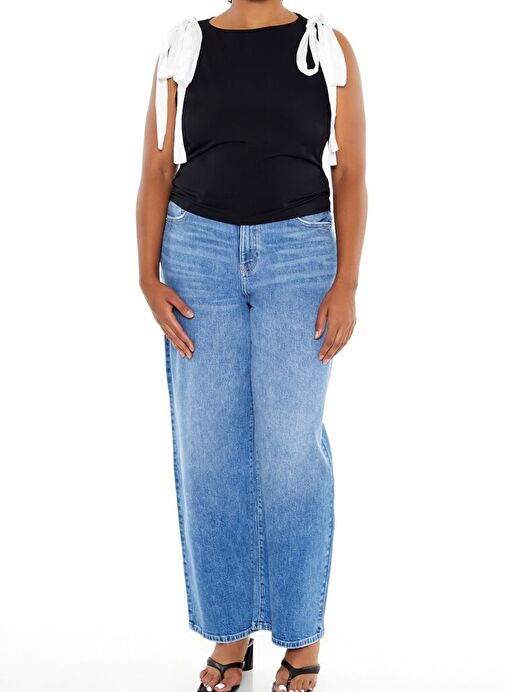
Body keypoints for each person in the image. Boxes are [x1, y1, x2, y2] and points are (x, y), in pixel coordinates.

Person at [136, 3, 367, 691]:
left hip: (299, 258)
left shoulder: (326, 47)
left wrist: (347, 282)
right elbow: (156, 169)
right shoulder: (183, 47)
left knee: (291, 451)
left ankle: (301, 638)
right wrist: (146, 276)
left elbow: (350, 174)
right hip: (196, 257)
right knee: (209, 452)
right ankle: (229, 634)